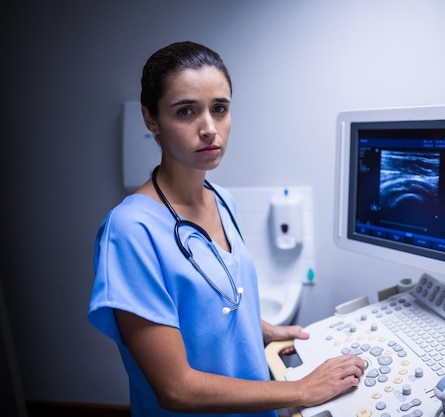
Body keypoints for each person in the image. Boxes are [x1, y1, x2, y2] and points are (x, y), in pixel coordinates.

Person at [88, 41, 366, 417]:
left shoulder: (221, 200)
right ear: (150, 119)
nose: (209, 128)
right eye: (186, 111)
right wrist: (301, 389)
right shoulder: (129, 231)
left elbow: (213, 304)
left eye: (219, 109)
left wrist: (261, 329)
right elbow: (176, 389)